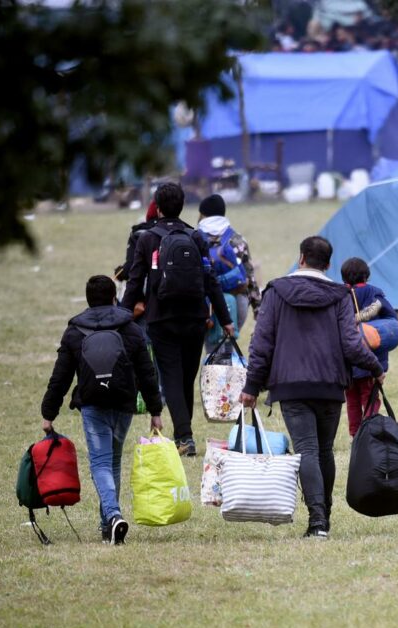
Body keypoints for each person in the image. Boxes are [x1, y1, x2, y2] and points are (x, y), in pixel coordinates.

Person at [240, 236, 384, 539]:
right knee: (323, 451)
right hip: (330, 384)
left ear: (301, 257)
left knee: (306, 449)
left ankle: (317, 522)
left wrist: (252, 386)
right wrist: (375, 367)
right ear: (329, 264)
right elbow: (351, 343)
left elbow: (261, 343)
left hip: (291, 384)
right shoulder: (340, 295)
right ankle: (324, 516)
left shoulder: (276, 292)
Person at [41, 275, 163, 545]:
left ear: (88, 299)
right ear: (113, 298)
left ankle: (112, 515)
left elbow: (60, 377)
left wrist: (48, 413)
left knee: (100, 462)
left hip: (93, 404)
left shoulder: (75, 331)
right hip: (123, 404)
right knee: (113, 462)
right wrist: (155, 410)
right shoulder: (130, 328)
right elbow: (147, 372)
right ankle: (108, 525)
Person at [121, 183, 233, 457]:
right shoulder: (195, 236)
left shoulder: (147, 238)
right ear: (183, 207)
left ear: (157, 208)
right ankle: (184, 432)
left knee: (171, 375)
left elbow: (135, 282)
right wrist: (225, 318)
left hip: (161, 318)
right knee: (185, 377)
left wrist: (121, 317)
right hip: (195, 316)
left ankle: (184, 436)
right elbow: (211, 280)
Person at [340, 257, 398, 436]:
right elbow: (391, 320)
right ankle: (372, 433)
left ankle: (356, 435)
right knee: (371, 398)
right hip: (370, 363)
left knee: (352, 401)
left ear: (344, 279)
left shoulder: (340, 296)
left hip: (348, 363)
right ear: (366, 276)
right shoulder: (375, 294)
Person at [196, 194, 261, 350]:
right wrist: (258, 309)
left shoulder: (195, 238)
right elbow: (250, 276)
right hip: (237, 300)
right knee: (227, 347)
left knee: (212, 349)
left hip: (207, 305)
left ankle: (213, 374)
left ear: (203, 214)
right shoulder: (237, 239)